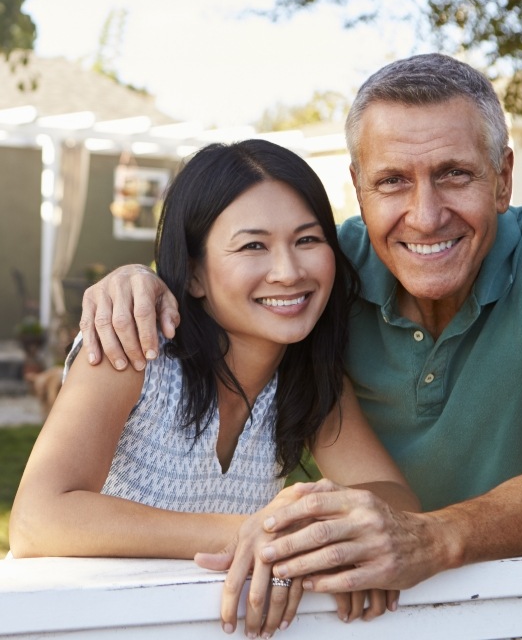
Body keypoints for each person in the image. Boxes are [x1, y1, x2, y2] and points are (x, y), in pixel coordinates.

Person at [77, 54, 522, 599]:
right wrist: (141, 279)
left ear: (502, 178)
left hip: (519, 590)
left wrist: (426, 539)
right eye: (393, 180)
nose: (425, 216)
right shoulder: (327, 270)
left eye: (453, 174)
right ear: (358, 188)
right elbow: (227, 275)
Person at [10, 139, 420, 636]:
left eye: (308, 240)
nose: (288, 271)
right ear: (196, 273)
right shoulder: (135, 349)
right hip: (83, 623)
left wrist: (312, 520)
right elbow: (37, 519)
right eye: (253, 246)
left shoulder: (310, 381)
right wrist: (262, 532)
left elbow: (397, 501)